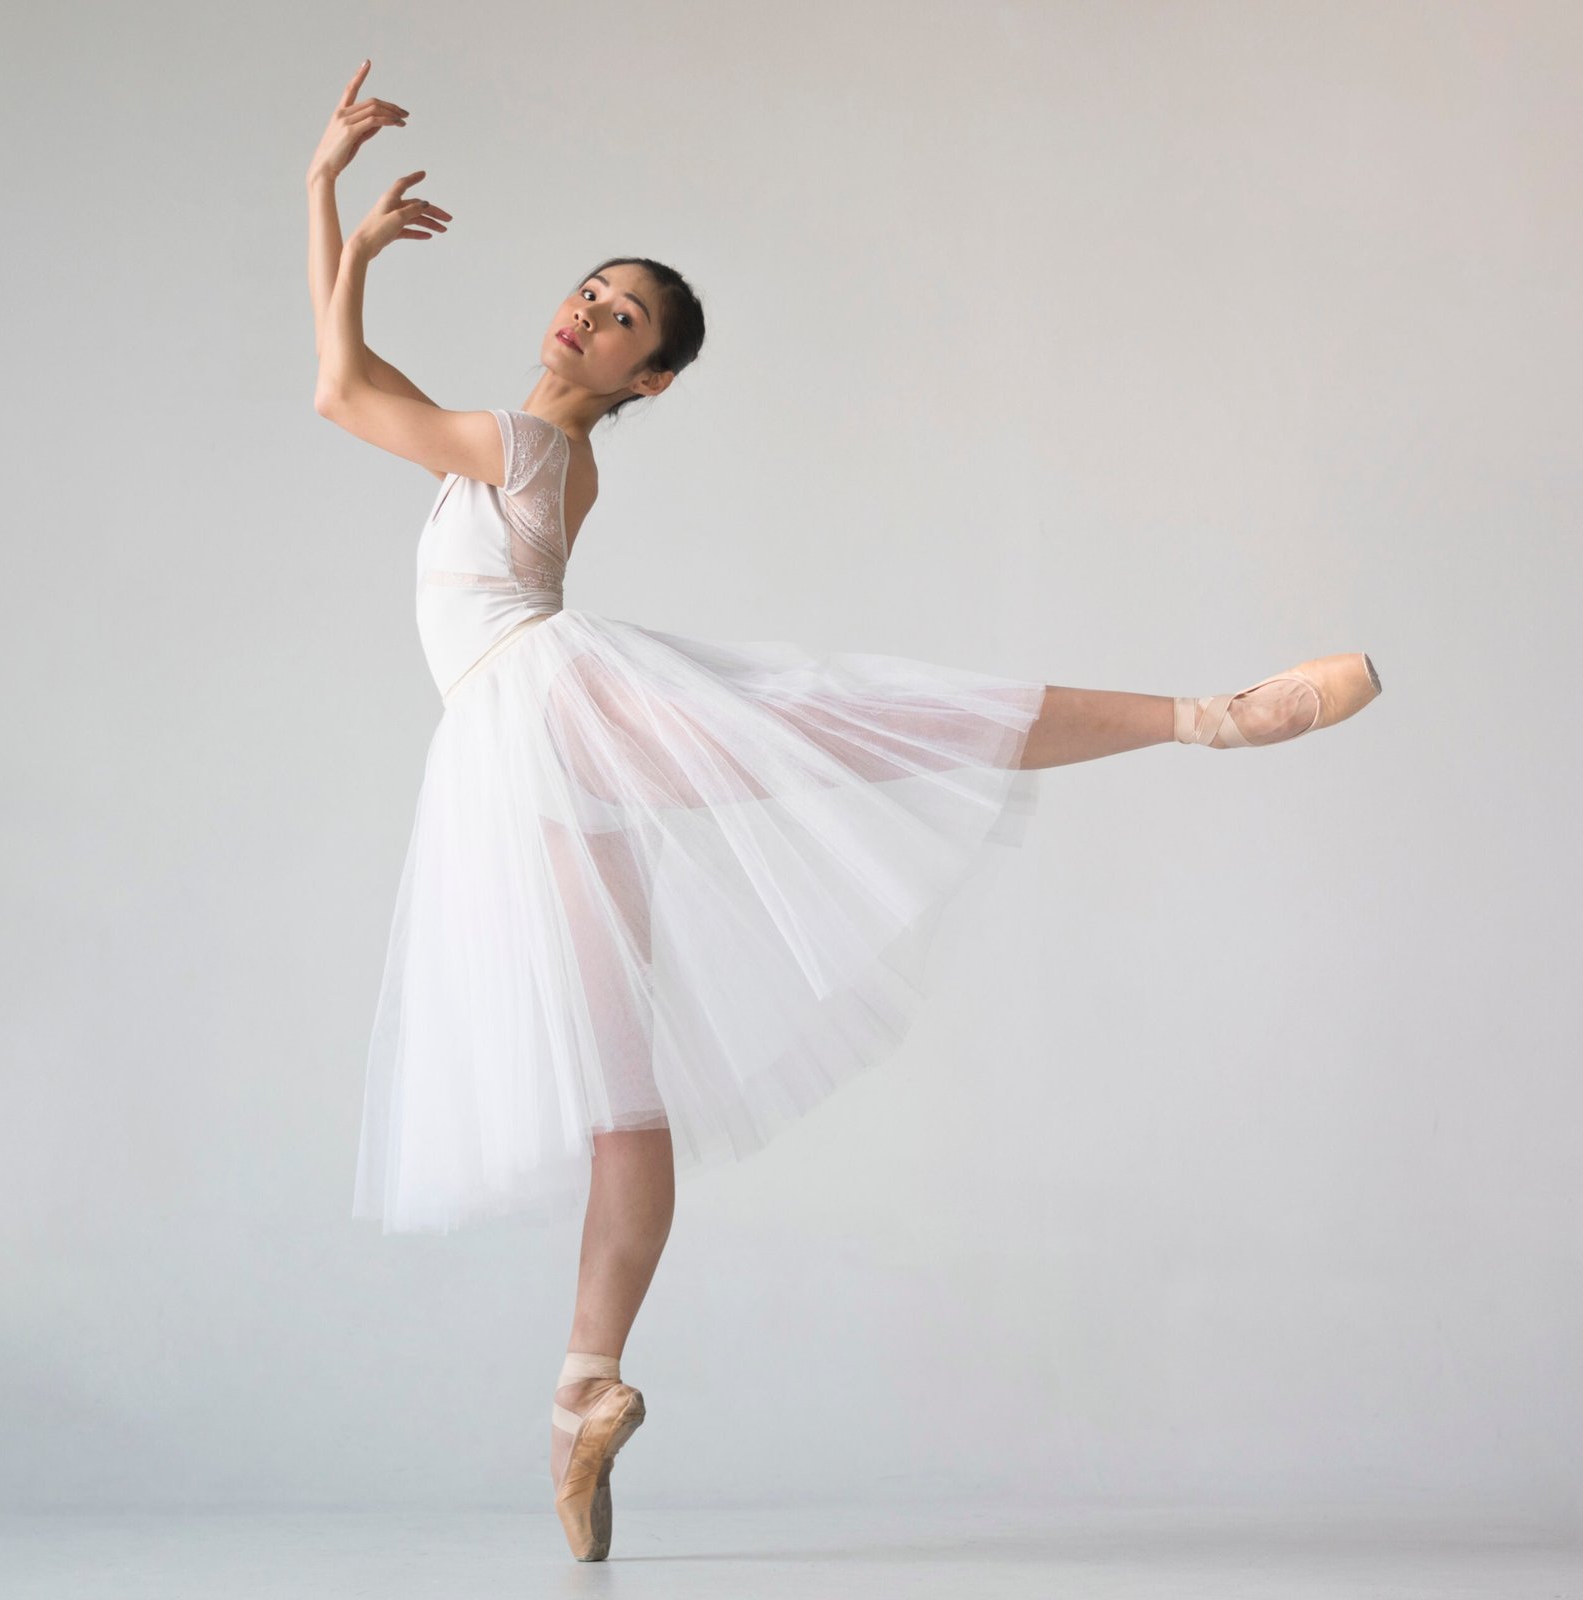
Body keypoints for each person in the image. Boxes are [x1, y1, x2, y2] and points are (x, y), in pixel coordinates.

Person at [306, 64, 1383, 1562]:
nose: (585, 311)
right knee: (635, 1073)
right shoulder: (508, 447)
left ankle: (1215, 715)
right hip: (520, 750)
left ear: (649, 382)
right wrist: (332, 225)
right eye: (587, 291)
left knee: (855, 723)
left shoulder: (532, 445)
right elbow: (361, 394)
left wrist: (331, 219)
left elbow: (339, 390)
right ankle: (582, 1392)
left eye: (622, 319)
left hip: (541, 712)